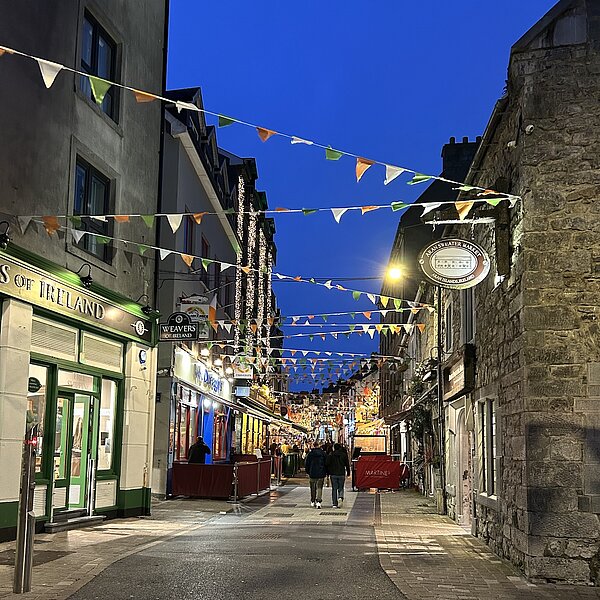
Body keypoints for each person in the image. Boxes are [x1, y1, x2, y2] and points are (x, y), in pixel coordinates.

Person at [326, 443, 350, 508]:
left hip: (333, 473)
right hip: (341, 473)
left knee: (334, 489)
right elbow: (347, 464)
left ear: (334, 448)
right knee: (341, 487)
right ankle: (340, 497)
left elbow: (327, 463)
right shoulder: (343, 455)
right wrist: (348, 472)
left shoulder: (331, 454)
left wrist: (328, 473)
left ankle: (334, 503)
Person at [304, 441, 327, 508]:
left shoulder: (310, 454)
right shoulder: (323, 453)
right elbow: (326, 463)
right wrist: (326, 472)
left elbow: (307, 464)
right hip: (321, 473)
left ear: (313, 446)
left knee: (313, 487)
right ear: (319, 445)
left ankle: (313, 501)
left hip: (312, 473)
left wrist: (308, 471)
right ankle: (318, 501)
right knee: (319, 487)